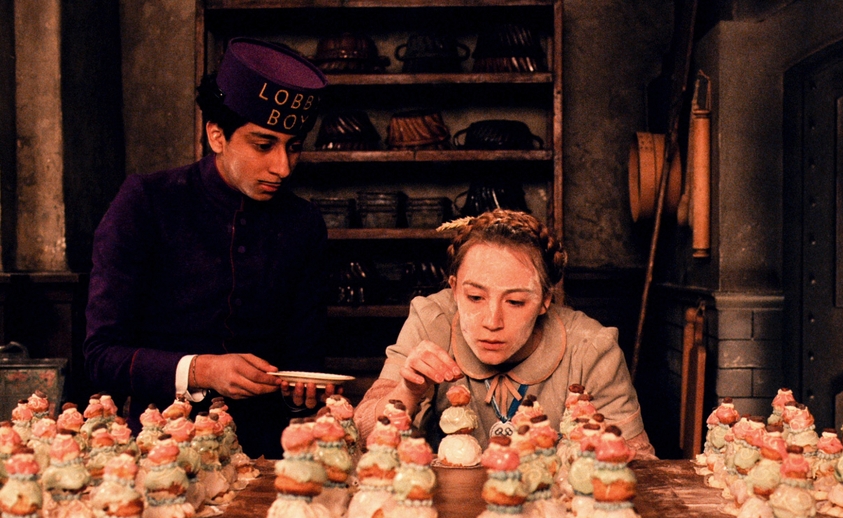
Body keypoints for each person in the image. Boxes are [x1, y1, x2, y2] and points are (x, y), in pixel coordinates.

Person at [84, 38, 331, 458]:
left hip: (269, 454)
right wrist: (201, 370)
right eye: (263, 145)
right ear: (216, 135)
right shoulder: (146, 202)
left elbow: (305, 358)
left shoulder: (304, 223)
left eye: (294, 147)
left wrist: (303, 391)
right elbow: (100, 356)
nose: (282, 167)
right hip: (162, 449)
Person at [354, 209, 655, 459]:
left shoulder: (592, 349)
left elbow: (642, 469)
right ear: (455, 289)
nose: (492, 321)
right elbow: (360, 438)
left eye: (515, 302)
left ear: (545, 300)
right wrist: (408, 391)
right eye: (475, 297)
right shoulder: (431, 322)